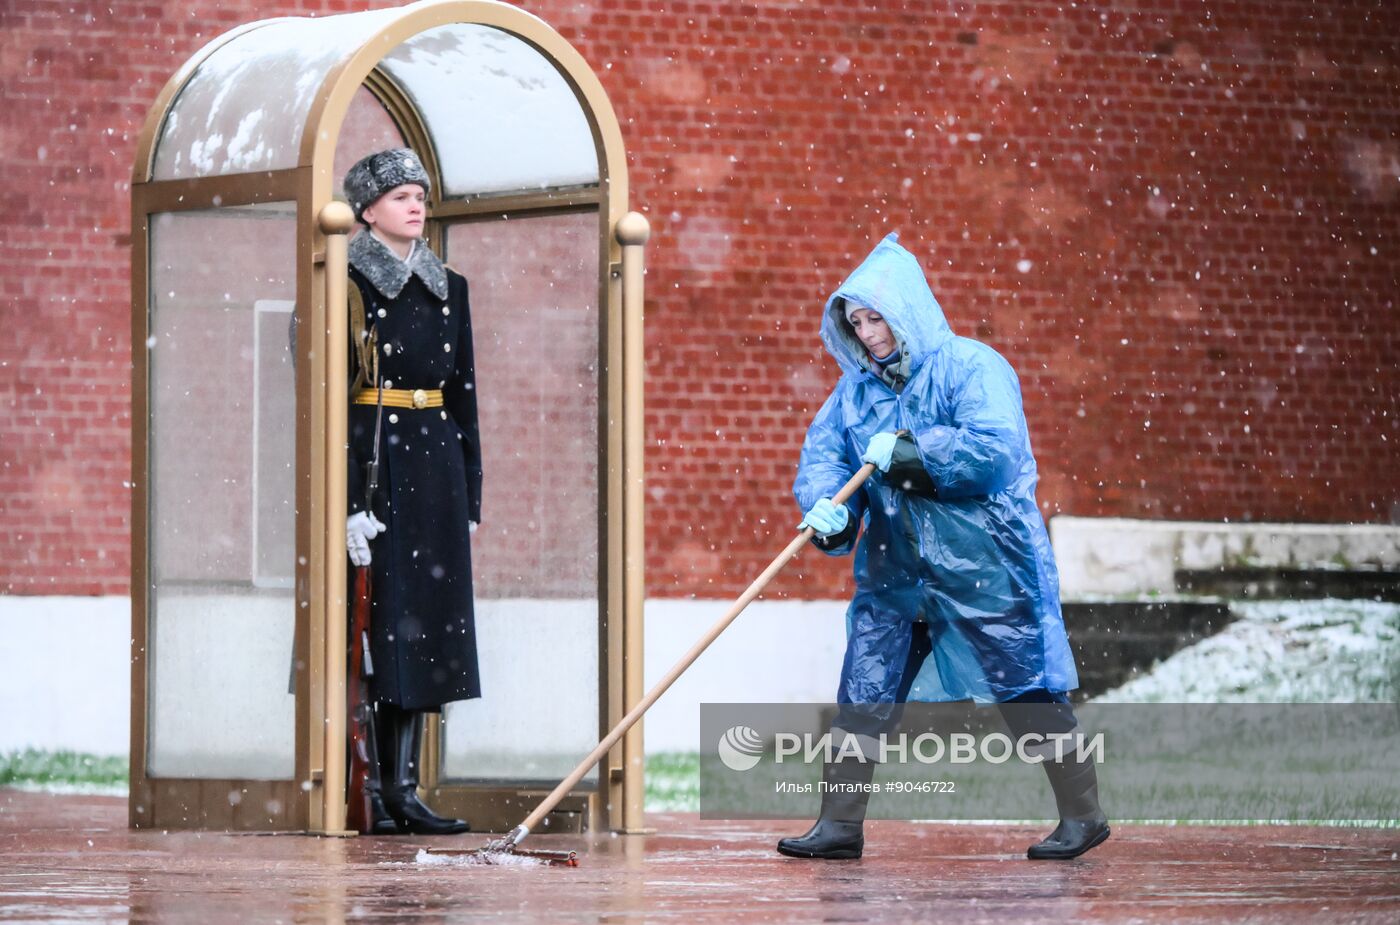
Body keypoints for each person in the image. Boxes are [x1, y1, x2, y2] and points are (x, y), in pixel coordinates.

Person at [779, 233, 1109, 861]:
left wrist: (909, 453)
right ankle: (839, 827)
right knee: (864, 693)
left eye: (877, 316)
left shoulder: (971, 367)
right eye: (856, 321)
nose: (869, 332)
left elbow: (992, 454)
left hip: (983, 565)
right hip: (895, 573)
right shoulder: (854, 395)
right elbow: (825, 461)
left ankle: (1083, 816)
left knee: (1026, 691)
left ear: (907, 310)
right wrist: (829, 513)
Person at [341, 147, 482, 835]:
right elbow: (326, 399)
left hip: (434, 470)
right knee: (380, 631)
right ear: (368, 210)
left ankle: (407, 786)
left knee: (428, 631)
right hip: (375, 468)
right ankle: (377, 787)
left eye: (420, 193)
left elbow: (464, 397)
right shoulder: (342, 282)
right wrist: (345, 501)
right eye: (399, 195)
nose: (415, 204)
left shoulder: (450, 285)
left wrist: (471, 493)